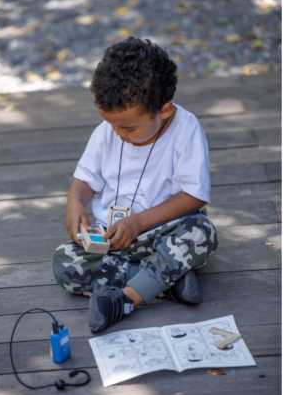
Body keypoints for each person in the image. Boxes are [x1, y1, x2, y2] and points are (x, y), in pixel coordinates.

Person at [53, 37, 218, 333]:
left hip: (164, 232)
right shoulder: (107, 132)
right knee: (64, 262)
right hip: (113, 239)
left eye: (128, 128)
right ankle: (166, 280)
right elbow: (85, 179)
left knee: (201, 231)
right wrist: (75, 201)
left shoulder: (186, 129)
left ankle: (126, 299)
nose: (118, 134)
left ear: (164, 111)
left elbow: (194, 196)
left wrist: (139, 222)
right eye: (112, 125)